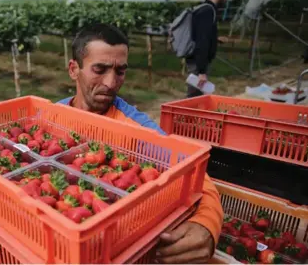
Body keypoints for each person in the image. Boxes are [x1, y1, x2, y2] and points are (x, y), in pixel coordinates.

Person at [58, 23, 223, 263]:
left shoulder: (136, 127)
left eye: (120, 71)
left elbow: (197, 177)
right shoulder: (54, 114)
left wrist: (206, 224)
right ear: (74, 70)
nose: (111, 82)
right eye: (100, 69)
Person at [186, 0, 229, 98]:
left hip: (197, 59)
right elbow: (202, 41)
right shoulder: (208, 11)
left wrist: (215, 39)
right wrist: (201, 71)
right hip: (197, 61)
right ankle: (184, 114)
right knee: (193, 97)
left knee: (196, 96)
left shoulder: (205, 9)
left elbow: (200, 35)